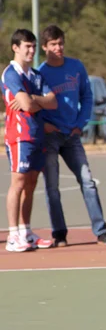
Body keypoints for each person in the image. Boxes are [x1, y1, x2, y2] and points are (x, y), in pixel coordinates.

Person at [38, 25, 106, 247]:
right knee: (52, 187)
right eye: (53, 44)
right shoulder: (40, 73)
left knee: (87, 181)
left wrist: (80, 124)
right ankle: (59, 234)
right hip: (51, 137)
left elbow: (87, 97)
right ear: (45, 47)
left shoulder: (76, 67)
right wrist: (45, 126)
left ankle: (101, 231)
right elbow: (35, 106)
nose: (58, 47)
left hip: (72, 136)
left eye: (60, 43)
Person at [1, 29, 56, 252]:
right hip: (19, 136)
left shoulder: (36, 75)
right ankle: (13, 235)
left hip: (37, 134)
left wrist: (34, 98)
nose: (32, 51)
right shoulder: (11, 74)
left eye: (33, 47)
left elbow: (52, 101)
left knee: (31, 185)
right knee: (18, 184)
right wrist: (34, 101)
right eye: (27, 46)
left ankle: (26, 231)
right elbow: (26, 105)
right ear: (15, 47)